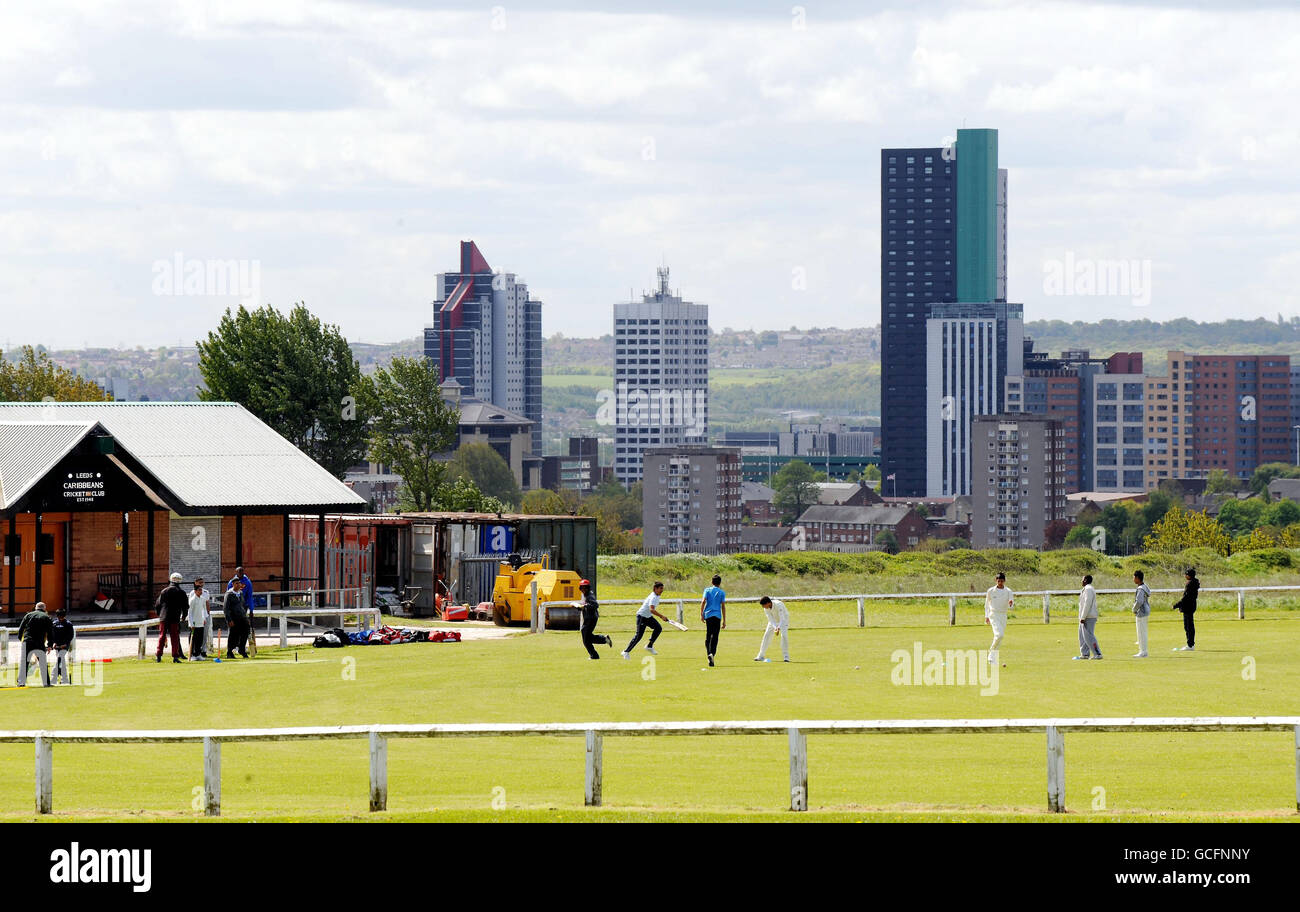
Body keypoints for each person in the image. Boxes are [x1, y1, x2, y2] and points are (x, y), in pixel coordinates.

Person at [622, 581, 668, 659]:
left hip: (648, 617)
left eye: (662, 588)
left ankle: (649, 646)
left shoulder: (657, 595)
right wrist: (661, 616)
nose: (662, 590)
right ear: (655, 589)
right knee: (638, 636)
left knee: (658, 628)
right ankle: (626, 652)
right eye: (660, 588)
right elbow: (652, 610)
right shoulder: (653, 597)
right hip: (641, 617)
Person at [17, 601, 54, 687]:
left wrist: (21, 639)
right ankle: (46, 683)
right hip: (39, 642)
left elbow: (21, 628)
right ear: (44, 609)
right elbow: (50, 633)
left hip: (27, 641)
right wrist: (50, 645)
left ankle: (21, 683)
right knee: (42, 663)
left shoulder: (28, 615)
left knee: (24, 662)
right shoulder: (46, 617)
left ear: (36, 608)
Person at [155, 572, 189, 663]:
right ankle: (175, 657)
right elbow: (185, 606)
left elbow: (158, 604)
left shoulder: (164, 591)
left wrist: (159, 615)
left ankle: (158, 655)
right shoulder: (181, 592)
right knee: (174, 637)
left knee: (162, 636)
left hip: (164, 617)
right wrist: (184, 615)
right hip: (174, 617)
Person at [576, 579, 612, 660]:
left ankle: (594, 655)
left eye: (585, 587)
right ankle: (604, 639)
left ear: (588, 588)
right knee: (588, 638)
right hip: (589, 618)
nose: (583, 589)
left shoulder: (589, 595)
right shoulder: (586, 595)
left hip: (591, 618)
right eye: (581, 587)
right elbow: (587, 605)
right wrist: (580, 607)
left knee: (585, 638)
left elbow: (595, 605)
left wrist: (584, 606)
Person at [984, 572, 1013, 666]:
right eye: (998, 580)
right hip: (993, 614)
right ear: (995, 580)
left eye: (1001, 581)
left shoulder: (1008, 591)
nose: (1000, 582)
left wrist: (1011, 604)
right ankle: (991, 654)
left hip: (1003, 615)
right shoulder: (990, 591)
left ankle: (992, 657)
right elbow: (987, 604)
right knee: (999, 634)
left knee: (1000, 637)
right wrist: (986, 616)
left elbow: (1011, 606)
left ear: (1004, 581)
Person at [1074, 574, 1102, 660]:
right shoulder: (1086, 589)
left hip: (1088, 617)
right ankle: (1085, 654)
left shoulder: (1088, 589)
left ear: (1085, 580)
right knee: (1082, 636)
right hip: (1085, 616)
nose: (1081, 581)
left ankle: (1097, 654)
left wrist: (1083, 617)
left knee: (1089, 636)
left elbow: (1087, 604)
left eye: (1082, 579)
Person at [755, 596, 790, 663]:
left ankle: (786, 657)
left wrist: (778, 627)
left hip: (784, 620)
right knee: (766, 636)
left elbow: (782, 618)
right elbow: (770, 619)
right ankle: (760, 655)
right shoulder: (766, 608)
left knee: (784, 636)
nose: (763, 607)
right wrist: (775, 628)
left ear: (768, 603)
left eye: (763, 605)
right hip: (773, 621)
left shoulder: (778, 604)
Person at [700, 575, 726, 667]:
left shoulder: (707, 590)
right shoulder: (722, 592)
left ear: (712, 582)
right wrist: (724, 620)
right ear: (720, 582)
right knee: (715, 636)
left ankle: (709, 653)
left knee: (708, 635)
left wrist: (701, 614)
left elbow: (703, 602)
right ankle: (712, 654)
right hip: (717, 616)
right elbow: (723, 606)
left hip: (708, 615)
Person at [1172, 566, 1199, 651]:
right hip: (1191, 606)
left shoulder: (1190, 584)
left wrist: (1177, 605)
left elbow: (1186, 598)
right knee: (1189, 625)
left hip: (1188, 607)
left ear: (1189, 575)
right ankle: (1191, 644)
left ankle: (1190, 645)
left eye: (1186, 574)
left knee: (1188, 626)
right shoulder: (1194, 583)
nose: (1185, 576)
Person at [223, 577, 250, 659]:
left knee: (245, 633)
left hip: (242, 617)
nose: (238, 585)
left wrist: (246, 616)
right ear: (233, 584)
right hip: (234, 618)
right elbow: (226, 608)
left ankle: (242, 649)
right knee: (233, 635)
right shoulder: (229, 594)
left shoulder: (240, 593)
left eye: (239, 583)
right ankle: (229, 652)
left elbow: (243, 606)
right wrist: (229, 619)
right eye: (236, 583)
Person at [188, 577, 211, 661]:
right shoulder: (192, 600)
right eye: (199, 590)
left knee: (200, 639)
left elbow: (204, 609)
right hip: (194, 622)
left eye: (201, 590)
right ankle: (193, 654)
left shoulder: (202, 598)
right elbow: (189, 612)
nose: (201, 592)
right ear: (195, 591)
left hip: (201, 622)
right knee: (194, 638)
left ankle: (198, 654)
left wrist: (204, 618)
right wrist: (190, 623)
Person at [50, 607, 75, 684]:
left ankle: (54, 677)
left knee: (60, 660)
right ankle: (64, 679)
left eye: (61, 616)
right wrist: (53, 643)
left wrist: (65, 644)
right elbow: (51, 635)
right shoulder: (54, 624)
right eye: (59, 616)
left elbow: (70, 635)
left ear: (64, 616)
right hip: (57, 646)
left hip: (64, 646)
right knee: (61, 661)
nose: (60, 618)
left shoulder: (68, 624)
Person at [1132, 570, 1151, 658]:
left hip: (1141, 612)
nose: (1133, 579)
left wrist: (1134, 609)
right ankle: (1143, 651)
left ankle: (1143, 652)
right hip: (1146, 611)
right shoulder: (1145, 586)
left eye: (1134, 577)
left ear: (1137, 578)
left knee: (1141, 633)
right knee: (1143, 632)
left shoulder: (1140, 589)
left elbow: (1139, 601)